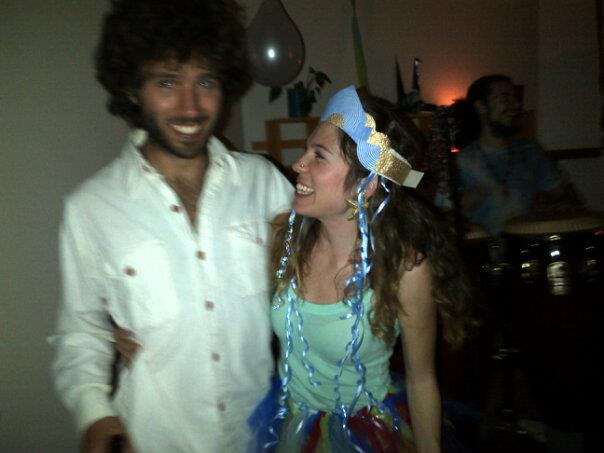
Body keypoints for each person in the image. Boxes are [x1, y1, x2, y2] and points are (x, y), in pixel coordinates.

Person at [50, 1, 292, 452]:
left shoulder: (264, 183)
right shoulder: (91, 208)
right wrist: (95, 415)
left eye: (206, 81)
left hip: (262, 436)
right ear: (131, 88)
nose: (190, 106)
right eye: (166, 82)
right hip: (155, 438)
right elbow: (80, 332)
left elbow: (318, 271)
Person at [247, 86, 474, 452]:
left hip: (366, 435)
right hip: (290, 424)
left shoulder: (405, 269)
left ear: (364, 186)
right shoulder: (285, 239)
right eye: (306, 150)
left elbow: (421, 381)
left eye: (319, 156)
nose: (298, 164)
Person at [446, 74, 580, 236]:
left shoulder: (530, 151)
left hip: (528, 244)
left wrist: (550, 204)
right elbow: (441, 218)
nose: (516, 105)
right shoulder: (462, 162)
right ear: (481, 107)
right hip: (483, 247)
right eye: (505, 99)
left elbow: (565, 197)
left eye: (515, 99)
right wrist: (463, 207)